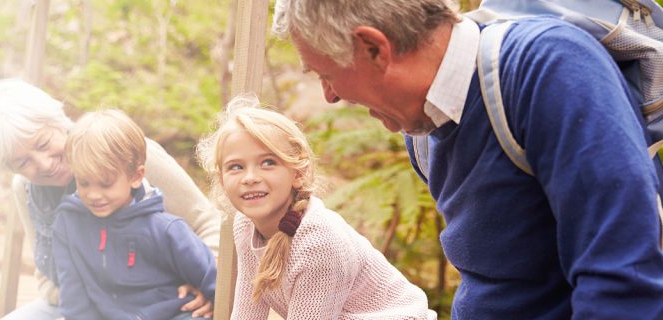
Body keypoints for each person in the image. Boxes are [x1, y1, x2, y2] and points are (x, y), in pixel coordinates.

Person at [273, 0, 663, 318]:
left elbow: (622, 282)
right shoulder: (423, 131)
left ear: (374, 48)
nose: (330, 96)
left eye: (326, 73)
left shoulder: (546, 69)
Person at [0, 78, 221, 319]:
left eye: (43, 143)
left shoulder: (124, 154)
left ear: (58, 122)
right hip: (79, 306)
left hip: (161, 302)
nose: (44, 164)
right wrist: (87, 302)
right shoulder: (25, 188)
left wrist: (203, 286)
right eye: (22, 162)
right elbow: (46, 275)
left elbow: (208, 223)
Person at [196, 95, 435, 319]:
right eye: (235, 167)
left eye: (268, 162)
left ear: (298, 173)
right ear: (221, 179)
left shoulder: (318, 243)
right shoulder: (245, 225)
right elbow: (248, 311)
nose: (250, 177)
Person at [52, 110, 217, 320]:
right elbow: (72, 292)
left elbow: (210, 276)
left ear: (136, 177)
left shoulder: (166, 228)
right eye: (84, 183)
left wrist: (213, 302)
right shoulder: (69, 223)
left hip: (171, 313)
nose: (93, 195)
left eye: (105, 183)